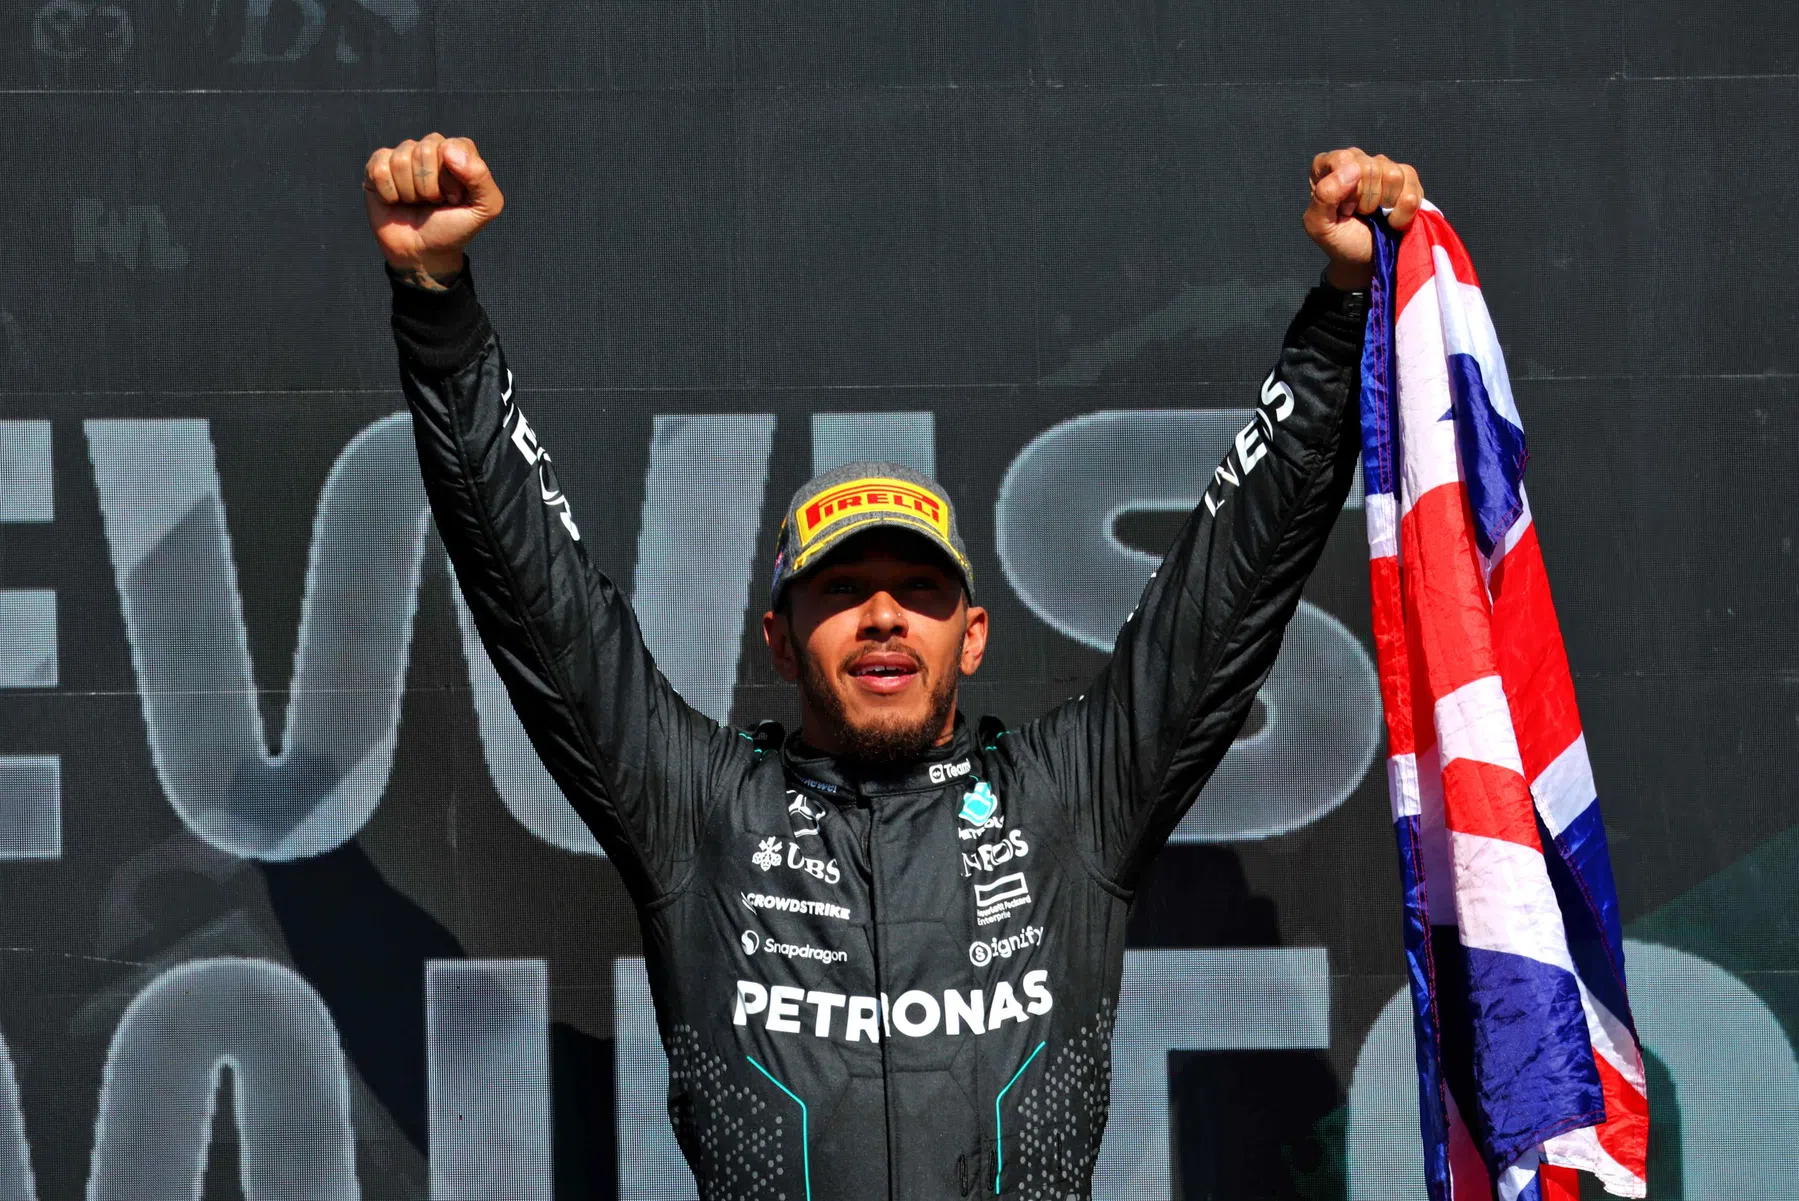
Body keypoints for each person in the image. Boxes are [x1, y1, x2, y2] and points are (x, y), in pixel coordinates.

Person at [364, 133, 1422, 1200]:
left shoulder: (1066, 805)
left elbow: (1223, 591)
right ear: (779, 637)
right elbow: (533, 595)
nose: (880, 615)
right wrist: (436, 304)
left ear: (970, 633)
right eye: (839, 589)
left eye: (917, 591)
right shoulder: (703, 812)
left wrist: (1341, 311)